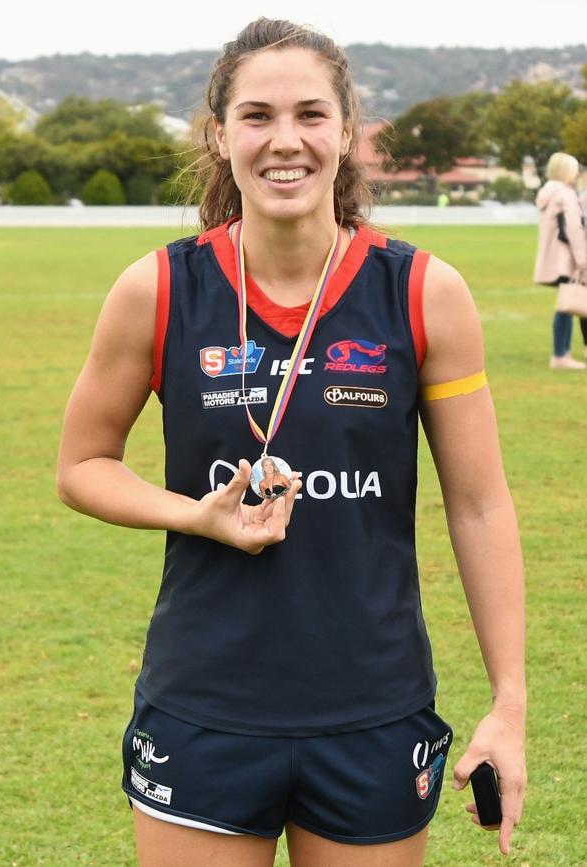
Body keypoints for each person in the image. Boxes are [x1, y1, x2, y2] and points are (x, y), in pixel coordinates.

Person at [56, 18, 526, 867]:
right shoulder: (158, 288)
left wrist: (510, 703)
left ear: (347, 133)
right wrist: (196, 516)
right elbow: (81, 465)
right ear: (220, 134)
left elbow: (481, 504)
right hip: (203, 707)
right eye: (257, 115)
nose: (286, 141)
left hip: (372, 707)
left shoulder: (423, 292)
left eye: (311, 114)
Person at [533, 151, 587, 370]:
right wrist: (583, 259)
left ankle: (563, 353)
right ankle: (560, 355)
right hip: (566, 258)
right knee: (566, 306)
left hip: (553, 257)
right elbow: (574, 230)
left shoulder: (547, 193)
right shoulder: (566, 195)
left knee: (567, 303)